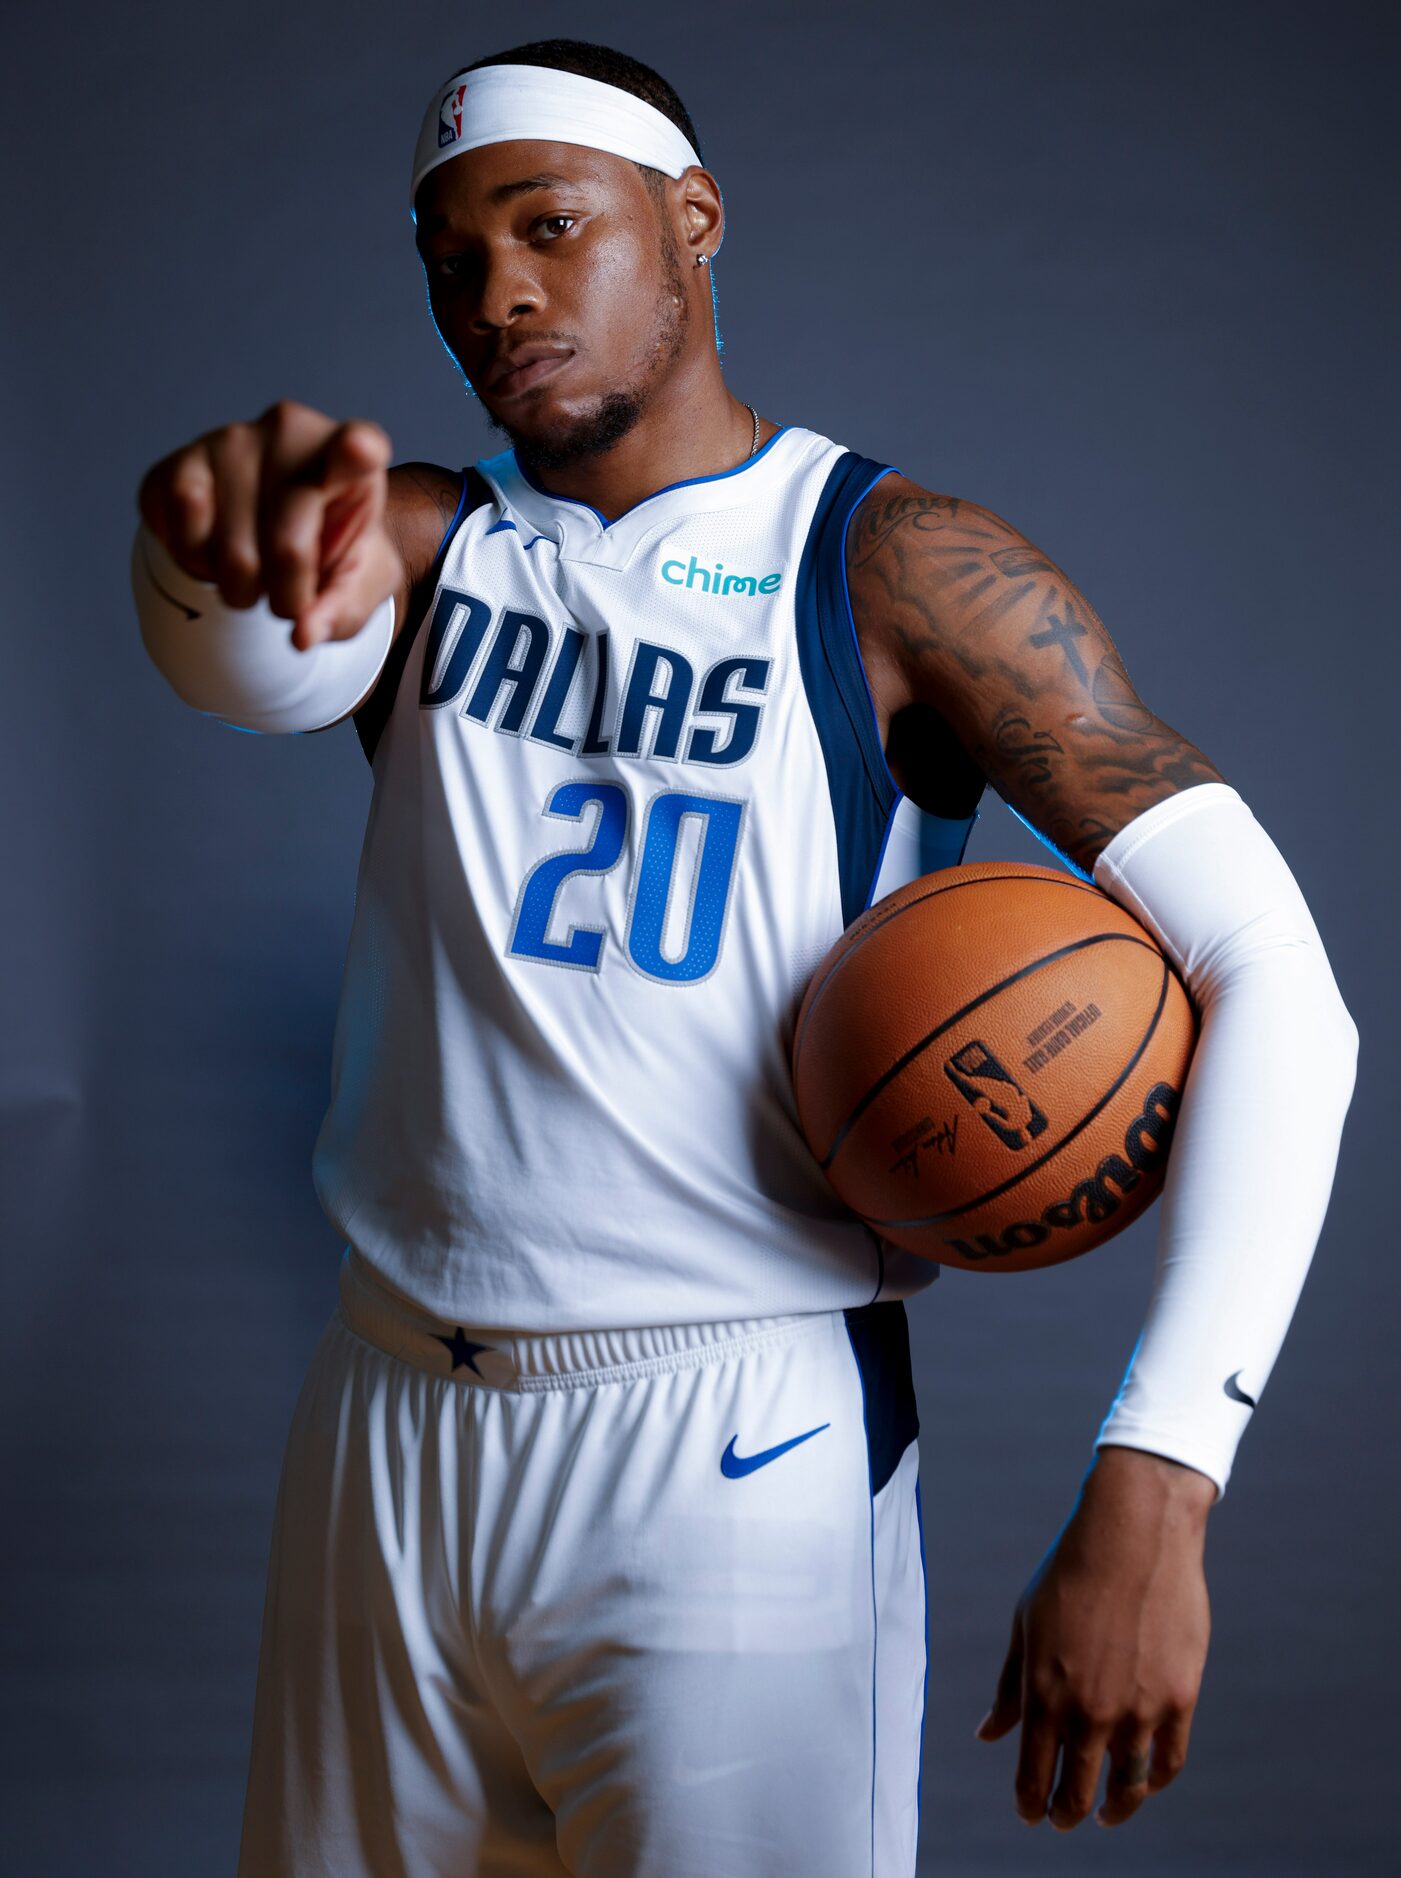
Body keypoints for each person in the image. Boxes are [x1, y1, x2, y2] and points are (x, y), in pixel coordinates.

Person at [132, 37, 1359, 1878]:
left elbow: (1277, 968)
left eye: (552, 227)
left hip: (732, 1440)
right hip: (382, 1425)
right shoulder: (418, 546)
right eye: (451, 262)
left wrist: (1161, 1474)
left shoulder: (891, 567)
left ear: (692, 220)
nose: (502, 295)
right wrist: (206, 539)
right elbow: (241, 654)